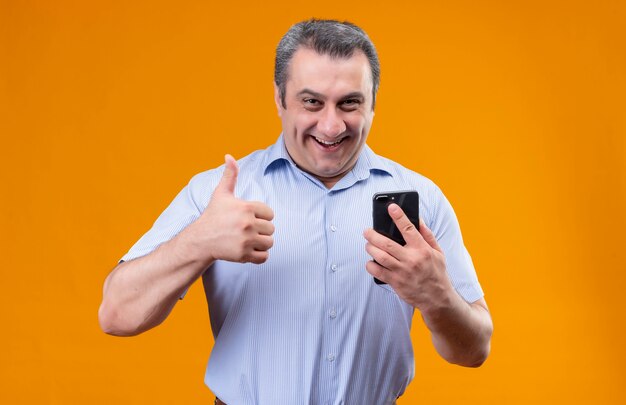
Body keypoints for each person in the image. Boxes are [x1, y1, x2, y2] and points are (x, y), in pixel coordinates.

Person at [99, 19, 493, 404]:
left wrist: (437, 296)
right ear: (279, 98)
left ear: (373, 103)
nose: (331, 124)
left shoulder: (421, 200)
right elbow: (117, 314)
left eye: (350, 103)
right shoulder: (220, 194)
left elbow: (474, 349)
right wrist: (198, 242)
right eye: (312, 102)